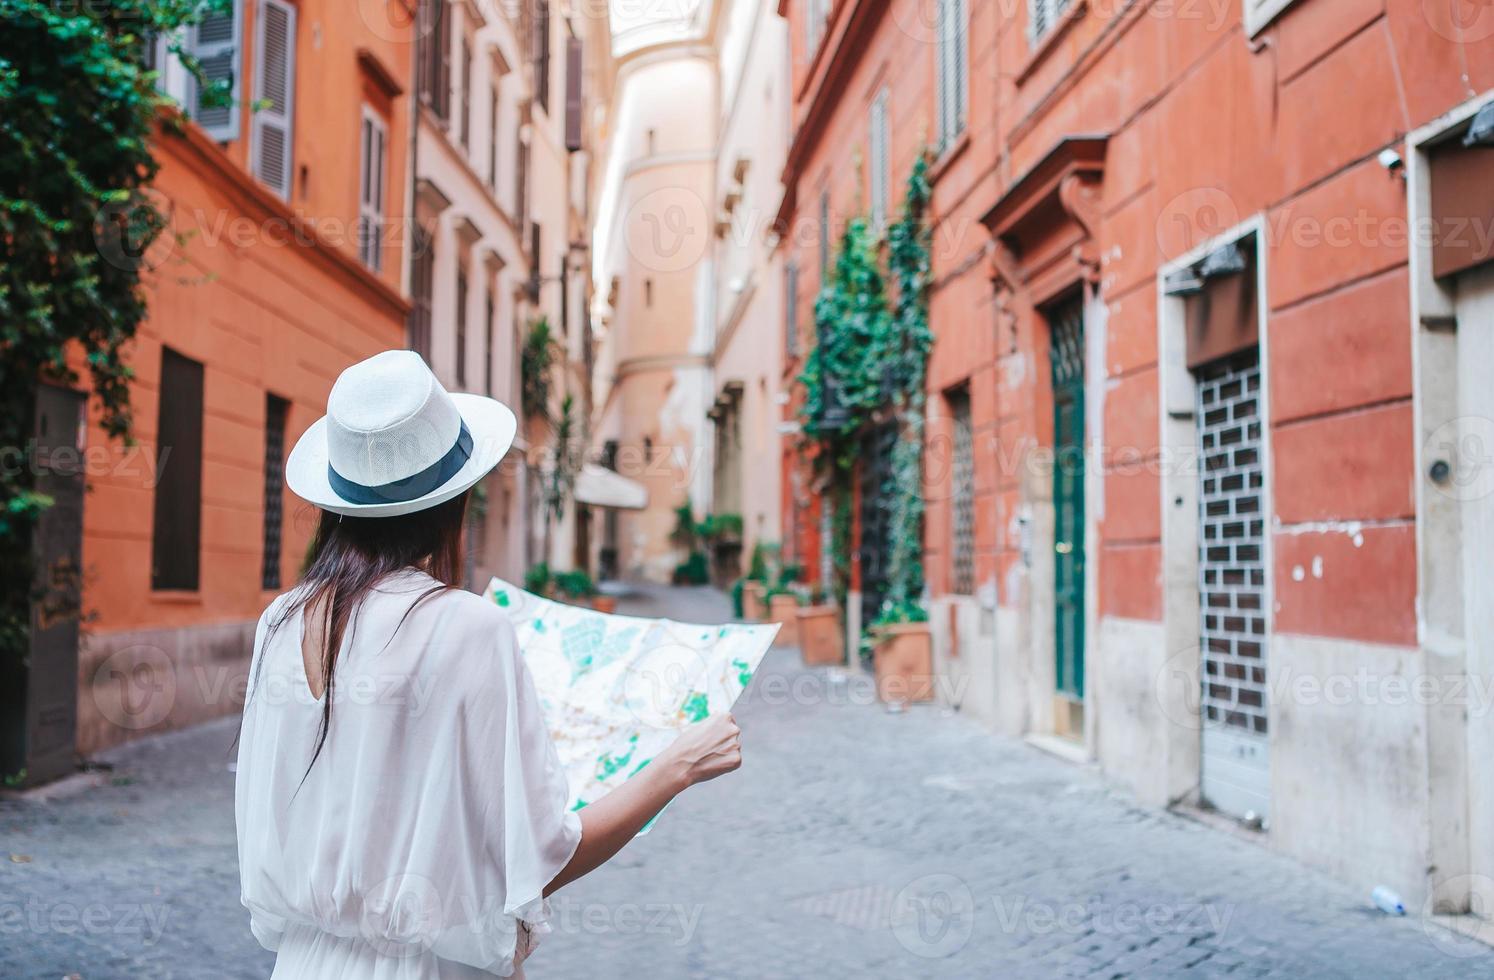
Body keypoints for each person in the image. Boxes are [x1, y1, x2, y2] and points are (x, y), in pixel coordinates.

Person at [234, 350, 741, 978]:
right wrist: (678, 765)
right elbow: (546, 855)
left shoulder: (280, 621)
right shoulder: (467, 626)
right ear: (456, 505)